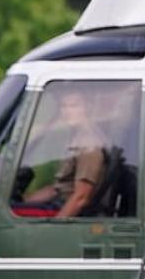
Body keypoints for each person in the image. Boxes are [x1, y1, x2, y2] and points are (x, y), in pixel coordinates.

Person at [13, 90, 107, 218]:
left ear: (88, 108)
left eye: (74, 106)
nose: (67, 111)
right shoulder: (76, 139)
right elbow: (56, 189)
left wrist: (55, 225)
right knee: (11, 207)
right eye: (64, 106)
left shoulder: (88, 146)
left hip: (64, 209)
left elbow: (81, 198)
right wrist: (24, 201)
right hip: (58, 201)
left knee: (11, 214)